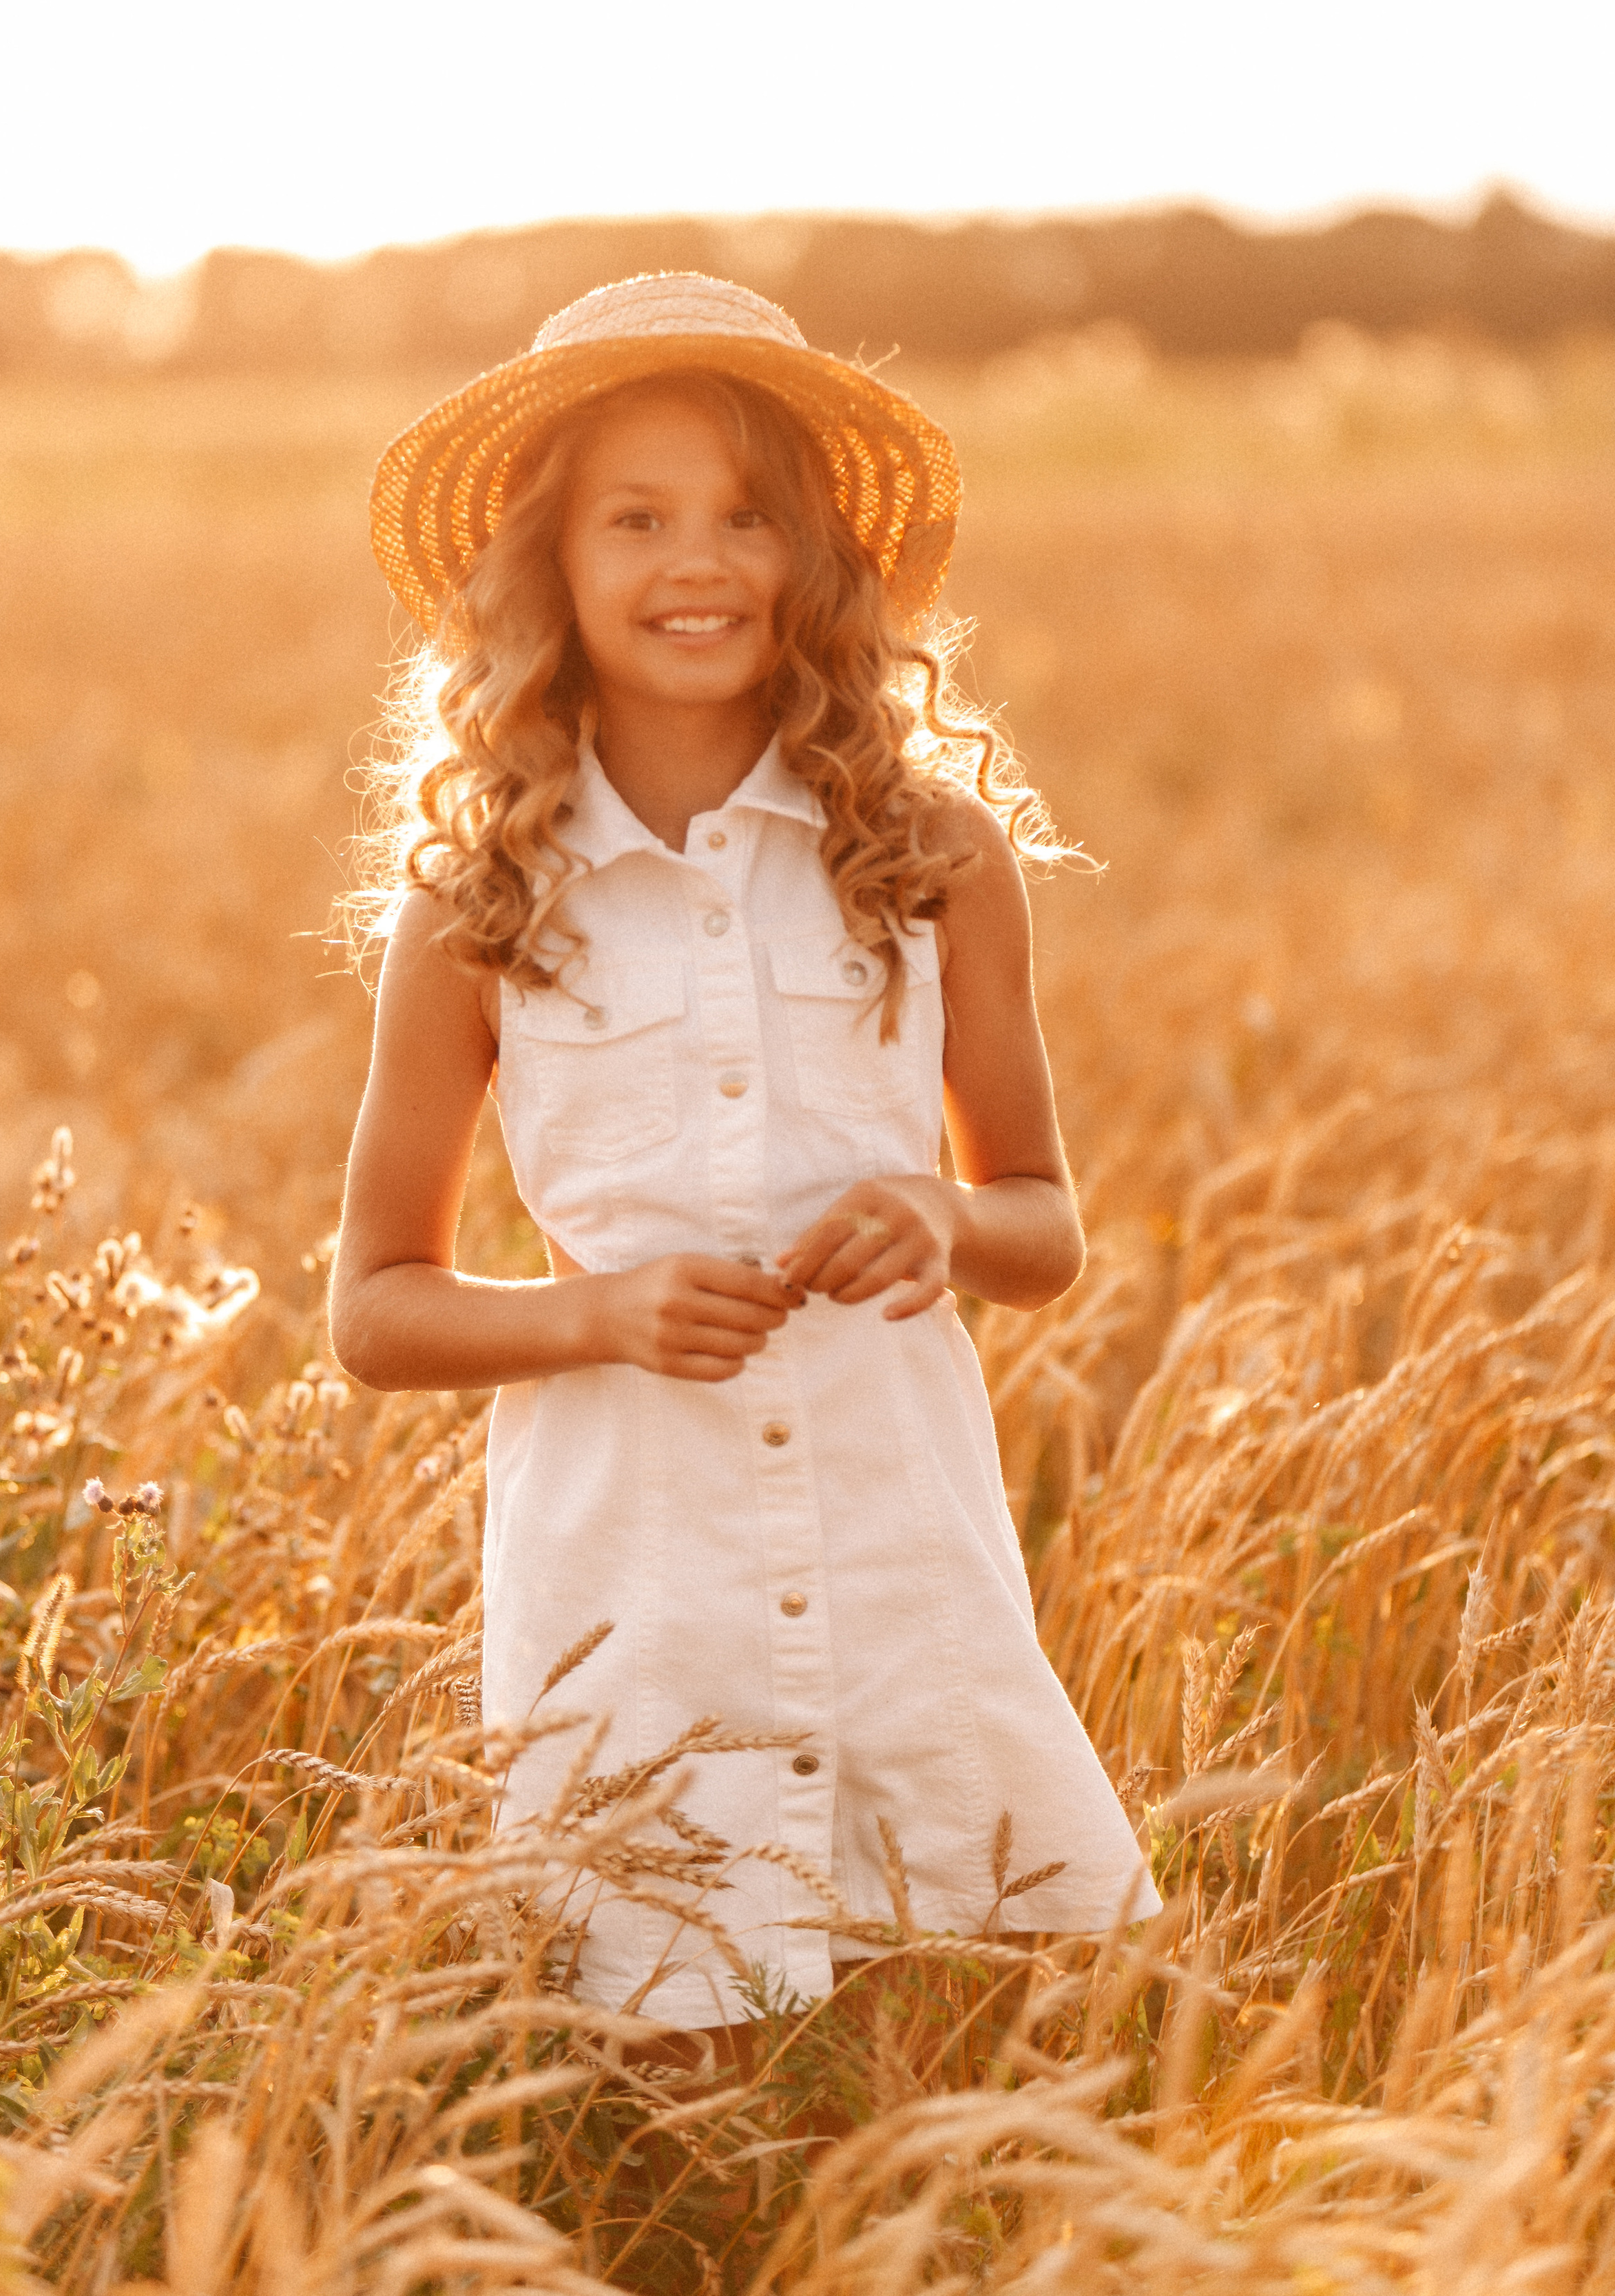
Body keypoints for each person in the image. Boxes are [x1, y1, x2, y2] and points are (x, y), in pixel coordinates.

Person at [330, 272, 1158, 2030]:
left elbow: (1042, 1224)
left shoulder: (935, 857)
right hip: (640, 1591)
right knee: (670, 2068)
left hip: (894, 1544)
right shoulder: (474, 904)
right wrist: (597, 1316)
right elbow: (376, 1310)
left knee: (958, 2036)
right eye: (635, 519)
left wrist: (942, 1213)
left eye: (745, 517)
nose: (693, 562)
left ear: (816, 559)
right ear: (545, 564)